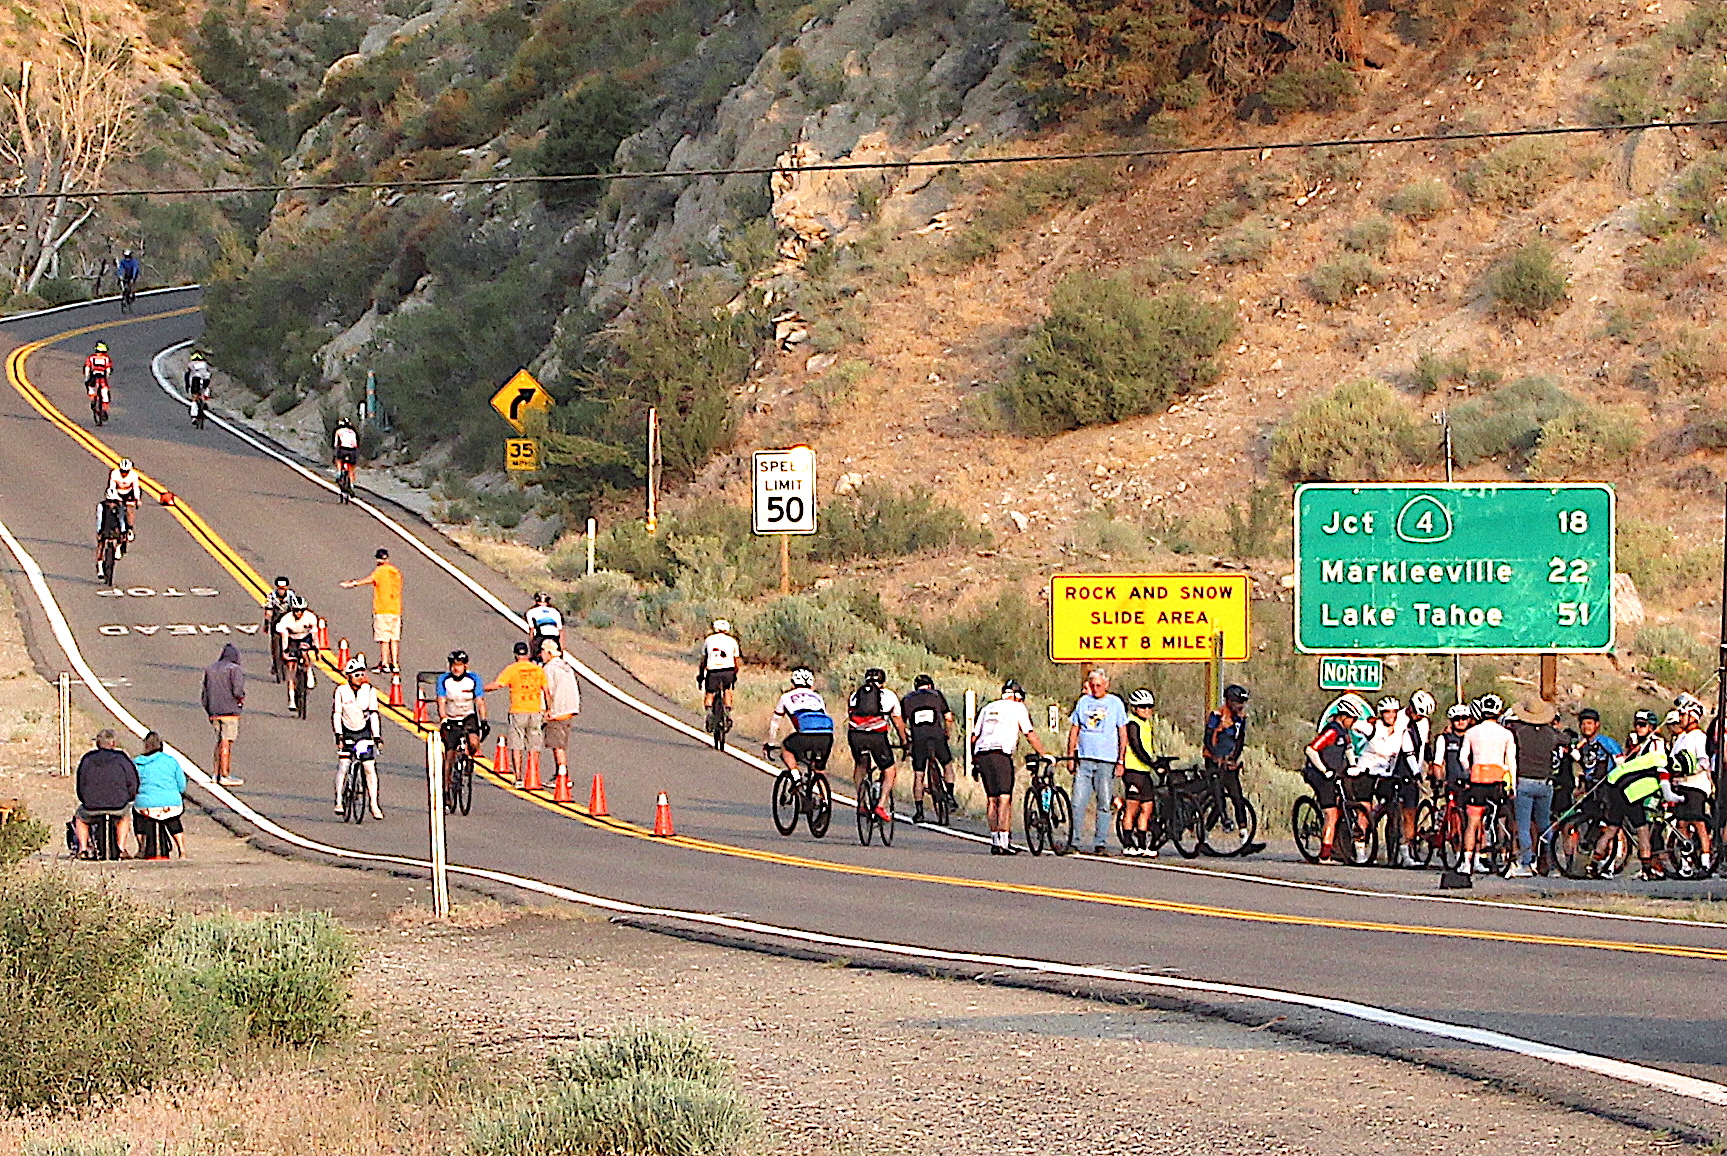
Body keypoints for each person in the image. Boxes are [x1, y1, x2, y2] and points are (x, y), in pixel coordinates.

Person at [970, 679, 1047, 854]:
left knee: (992, 799)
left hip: (982, 753)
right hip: (1000, 754)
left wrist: (974, 762)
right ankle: (1004, 842)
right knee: (1004, 799)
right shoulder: (1018, 708)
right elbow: (1029, 733)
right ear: (1018, 697)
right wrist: (1043, 754)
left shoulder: (987, 708)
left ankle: (995, 841)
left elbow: (974, 736)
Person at [1066, 669, 1127, 855]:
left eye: (1099, 685)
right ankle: (1074, 840)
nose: (1095, 689)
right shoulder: (1083, 702)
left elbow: (1122, 732)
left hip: (1106, 760)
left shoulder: (1115, 703)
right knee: (1077, 801)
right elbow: (1074, 729)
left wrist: (1121, 760)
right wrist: (1070, 755)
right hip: (1085, 759)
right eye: (1092, 685)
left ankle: (1100, 841)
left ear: (1106, 685)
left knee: (1104, 802)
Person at [1505, 699, 1564, 877]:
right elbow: (1568, 739)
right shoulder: (1551, 734)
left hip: (1524, 780)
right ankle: (1550, 861)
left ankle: (1527, 862)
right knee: (1544, 824)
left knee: (1523, 824)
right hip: (1545, 782)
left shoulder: (1519, 732)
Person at [1460, 693, 1516, 874]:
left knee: (1473, 822)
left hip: (1477, 779)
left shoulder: (1471, 732)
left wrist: (1470, 770)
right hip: (1497, 780)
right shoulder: (1506, 733)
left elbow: (1462, 758)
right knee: (1501, 819)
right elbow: (1511, 761)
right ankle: (1504, 855)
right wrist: (1513, 784)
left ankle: (1467, 862)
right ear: (1498, 711)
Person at [1305, 696, 1362, 862]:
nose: (1354, 722)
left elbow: (1349, 748)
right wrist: (1324, 770)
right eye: (1352, 719)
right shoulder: (1331, 731)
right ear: (1343, 716)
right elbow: (1311, 750)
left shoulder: (1345, 732)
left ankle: (1339, 848)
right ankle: (1325, 854)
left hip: (1335, 772)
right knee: (1331, 813)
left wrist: (1353, 766)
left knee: (1343, 805)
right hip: (1319, 774)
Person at [847, 667, 907, 824]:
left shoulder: (855, 695)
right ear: (883, 682)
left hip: (856, 736)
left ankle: (860, 804)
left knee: (860, 766)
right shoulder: (889, 695)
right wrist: (904, 741)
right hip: (877, 737)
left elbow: (851, 715)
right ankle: (880, 806)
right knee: (889, 770)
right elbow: (898, 723)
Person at [486, 640, 547, 789]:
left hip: (518, 710)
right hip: (535, 709)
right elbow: (546, 690)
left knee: (517, 744)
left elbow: (498, 684)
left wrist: (479, 689)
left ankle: (519, 777)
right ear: (527, 653)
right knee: (534, 744)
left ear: (515, 655)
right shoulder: (537, 670)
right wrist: (548, 709)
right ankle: (533, 774)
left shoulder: (512, 669)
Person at [332, 656, 383, 819]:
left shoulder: (369, 691)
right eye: (356, 675)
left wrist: (376, 736)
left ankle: (374, 804)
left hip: (363, 733)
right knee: (344, 765)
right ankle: (339, 799)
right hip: (347, 731)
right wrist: (338, 735)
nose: (361, 678)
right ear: (349, 676)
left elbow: (374, 714)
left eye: (362, 674)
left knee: (369, 767)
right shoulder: (341, 691)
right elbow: (337, 714)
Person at [73, 729, 137, 858]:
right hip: (118, 804)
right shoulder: (122, 758)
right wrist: (129, 798)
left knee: (80, 818)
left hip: (92, 805)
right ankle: (121, 848)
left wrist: (85, 799)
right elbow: (133, 781)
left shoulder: (87, 758)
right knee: (124, 817)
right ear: (113, 743)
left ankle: (83, 849)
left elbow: (80, 783)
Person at [900, 673, 956, 824]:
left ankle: (919, 812)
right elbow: (948, 717)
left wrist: (907, 739)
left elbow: (901, 723)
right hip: (937, 737)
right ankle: (950, 795)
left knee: (919, 775)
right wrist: (947, 732)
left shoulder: (907, 699)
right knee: (947, 765)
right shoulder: (936, 695)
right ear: (930, 685)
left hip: (919, 740)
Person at [1670, 694, 1714, 874]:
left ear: (1692, 716)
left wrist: (1689, 770)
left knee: (1697, 821)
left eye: (1683, 715)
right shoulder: (1680, 738)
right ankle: (1686, 863)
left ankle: (1705, 859)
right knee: (1681, 823)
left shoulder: (1699, 737)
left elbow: (1705, 761)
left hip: (1696, 785)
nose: (1680, 719)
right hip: (1681, 784)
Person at [340, 548, 403, 674]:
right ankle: (395, 664)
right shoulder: (396, 572)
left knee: (384, 638)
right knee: (394, 638)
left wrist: (352, 583)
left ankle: (384, 663)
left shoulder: (380, 571)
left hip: (382, 609)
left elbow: (368, 580)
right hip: (395, 609)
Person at [1203, 684, 1253, 837]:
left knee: (1237, 797)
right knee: (1219, 802)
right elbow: (1208, 737)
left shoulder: (1241, 718)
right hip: (1214, 760)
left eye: (1242, 703)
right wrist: (1215, 756)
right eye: (1238, 702)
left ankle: (1244, 835)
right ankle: (1204, 834)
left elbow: (1240, 740)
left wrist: (1233, 758)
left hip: (1228, 761)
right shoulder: (1217, 715)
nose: (1240, 706)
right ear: (1229, 701)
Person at [436, 649, 488, 794]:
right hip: (451, 718)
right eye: (453, 665)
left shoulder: (473, 679)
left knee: (474, 742)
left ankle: (468, 759)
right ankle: (446, 791)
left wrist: (483, 720)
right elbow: (441, 701)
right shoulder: (444, 680)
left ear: (465, 665)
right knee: (449, 757)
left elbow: (479, 701)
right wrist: (443, 719)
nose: (456, 668)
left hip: (468, 716)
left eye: (459, 665)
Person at [766, 668, 834, 776]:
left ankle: (796, 777)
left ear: (793, 683)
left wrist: (770, 742)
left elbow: (775, 722)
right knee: (819, 770)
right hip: (826, 735)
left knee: (786, 748)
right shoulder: (818, 697)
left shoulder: (786, 697)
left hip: (805, 734)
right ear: (811, 684)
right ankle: (825, 792)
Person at [132, 731, 188, 859]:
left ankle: (141, 848)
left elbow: (133, 784)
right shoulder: (171, 761)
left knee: (138, 818)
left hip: (145, 806)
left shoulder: (137, 762)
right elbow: (182, 785)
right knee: (174, 821)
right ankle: (182, 850)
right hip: (171, 804)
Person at [1119, 688, 1161, 857]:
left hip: (1144, 772)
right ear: (1135, 708)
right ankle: (1128, 843)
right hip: (1133, 770)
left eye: (1150, 706)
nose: (1147, 710)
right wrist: (1152, 762)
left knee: (1147, 807)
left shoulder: (1147, 723)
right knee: (1132, 809)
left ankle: (1143, 844)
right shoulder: (1132, 723)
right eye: (1143, 707)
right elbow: (1136, 747)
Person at [200, 642, 244, 786]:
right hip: (229, 711)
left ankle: (215, 773)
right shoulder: (234, 669)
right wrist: (240, 700)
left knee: (219, 741)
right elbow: (237, 691)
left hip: (214, 710)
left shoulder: (210, 669)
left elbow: (204, 694)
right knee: (226, 741)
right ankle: (225, 774)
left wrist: (209, 709)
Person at [539, 638, 581, 784]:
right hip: (570, 709)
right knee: (560, 744)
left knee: (557, 746)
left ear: (549, 653)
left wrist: (547, 710)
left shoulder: (549, 668)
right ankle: (560, 774)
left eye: (543, 651)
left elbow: (548, 691)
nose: (541, 655)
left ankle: (562, 776)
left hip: (558, 711)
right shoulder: (566, 666)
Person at [275, 594, 320, 712]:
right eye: (296, 610)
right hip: (291, 639)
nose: (298, 613)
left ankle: (309, 670)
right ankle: (291, 699)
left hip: (305, 637)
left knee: (305, 652)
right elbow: (284, 637)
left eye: (301, 610)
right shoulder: (286, 619)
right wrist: (285, 651)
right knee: (291, 667)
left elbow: (314, 634)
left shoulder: (310, 617)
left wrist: (316, 648)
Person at [698, 619, 741, 720]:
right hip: (728, 670)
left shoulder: (708, 640)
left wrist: (701, 674)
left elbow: (703, 660)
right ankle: (728, 712)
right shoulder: (732, 641)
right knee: (727, 690)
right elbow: (737, 661)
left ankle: (709, 713)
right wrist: (734, 674)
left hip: (713, 670)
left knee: (710, 693)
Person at [264, 576, 296, 682]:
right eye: (280, 588)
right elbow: (268, 611)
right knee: (275, 643)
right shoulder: (271, 596)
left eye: (283, 588)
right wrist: (266, 624)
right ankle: (275, 663)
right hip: (276, 620)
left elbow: (295, 609)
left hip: (288, 619)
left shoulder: (291, 596)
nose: (282, 591)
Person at [106, 458, 141, 540]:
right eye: (122, 471)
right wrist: (114, 497)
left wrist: (137, 499)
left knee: (130, 510)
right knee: (111, 507)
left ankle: (129, 529)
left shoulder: (133, 475)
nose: (124, 473)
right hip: (117, 492)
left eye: (126, 471)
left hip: (129, 493)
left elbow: (136, 488)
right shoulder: (114, 474)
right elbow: (111, 487)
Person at [93, 496, 126, 579]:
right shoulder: (101, 506)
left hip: (115, 526)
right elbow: (99, 519)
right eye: (110, 502)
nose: (112, 504)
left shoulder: (120, 507)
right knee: (101, 544)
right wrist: (99, 531)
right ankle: (100, 566)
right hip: (105, 526)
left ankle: (118, 548)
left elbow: (122, 519)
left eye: (114, 502)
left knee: (121, 536)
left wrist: (123, 530)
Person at [527, 593, 564, 659]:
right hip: (554, 637)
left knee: (535, 658)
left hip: (541, 636)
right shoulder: (555, 611)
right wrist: (561, 648)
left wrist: (532, 649)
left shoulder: (531, 612)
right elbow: (560, 630)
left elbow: (532, 630)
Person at [184, 349, 212, 423]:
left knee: (194, 397)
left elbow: (187, 376)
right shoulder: (205, 363)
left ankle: (194, 416)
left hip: (196, 379)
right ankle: (205, 401)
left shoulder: (190, 364)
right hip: (205, 378)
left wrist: (187, 386)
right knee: (205, 390)